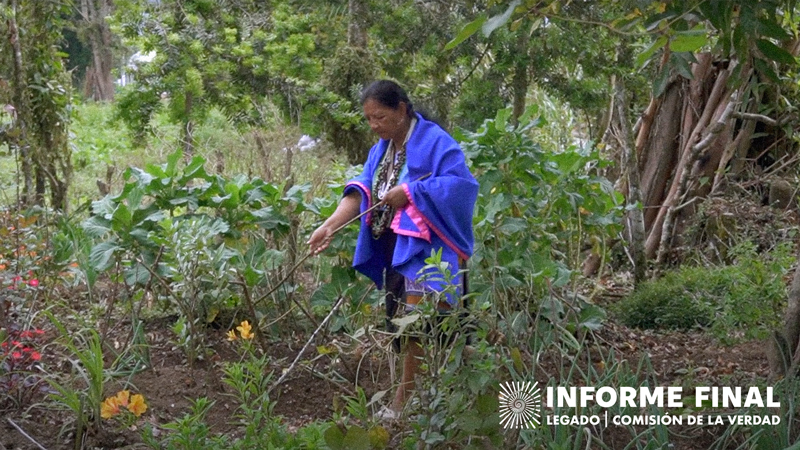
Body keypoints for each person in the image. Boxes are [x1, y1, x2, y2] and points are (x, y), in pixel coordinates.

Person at [307, 79, 478, 420]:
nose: (374, 126)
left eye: (380, 117)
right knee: (405, 324)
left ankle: (409, 401)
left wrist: (411, 192)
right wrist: (330, 224)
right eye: (368, 119)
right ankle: (428, 397)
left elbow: (461, 187)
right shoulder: (381, 150)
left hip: (430, 251)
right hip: (396, 247)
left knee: (420, 325)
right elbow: (360, 194)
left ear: (402, 109)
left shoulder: (435, 142)